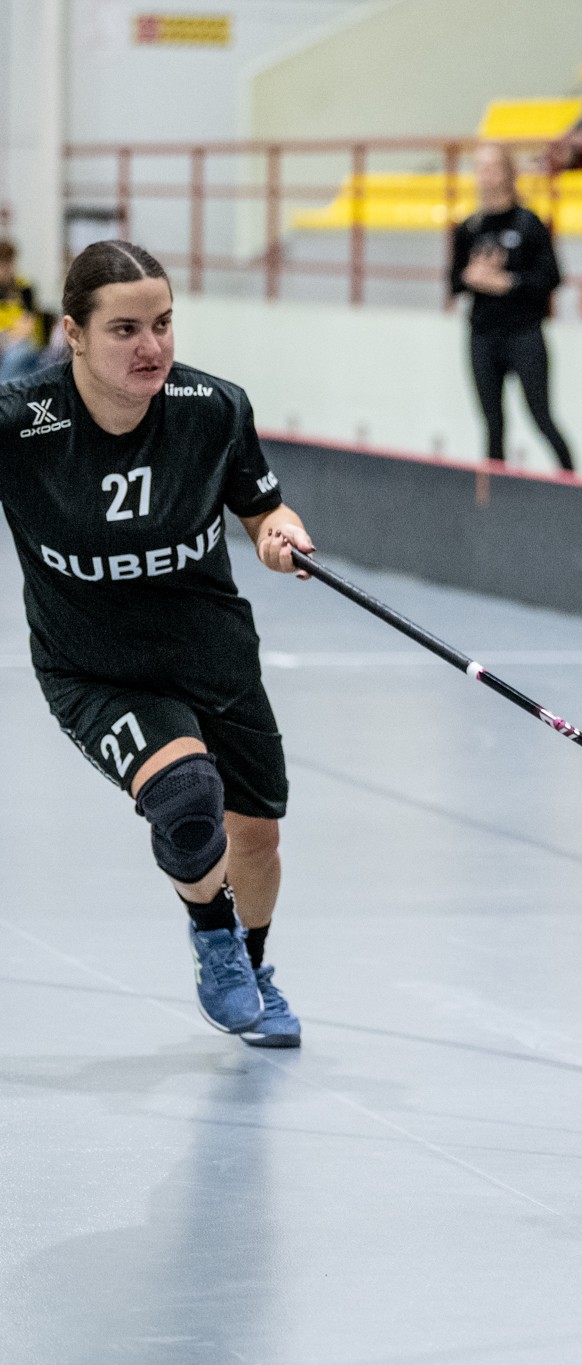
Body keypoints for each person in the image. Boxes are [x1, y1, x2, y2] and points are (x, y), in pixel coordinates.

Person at [0, 240, 315, 1046]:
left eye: (164, 323)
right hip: (95, 667)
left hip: (212, 652)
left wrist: (280, 533)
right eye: (126, 329)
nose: (152, 346)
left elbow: (264, 508)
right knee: (185, 797)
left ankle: (252, 961)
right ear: (73, 333)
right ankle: (212, 932)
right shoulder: (22, 423)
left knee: (257, 834)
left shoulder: (214, 408)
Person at [450, 144, 576, 472]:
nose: (486, 176)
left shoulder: (528, 223)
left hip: (524, 333)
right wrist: (472, 277)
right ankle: (493, 485)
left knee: (541, 416)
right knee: (492, 422)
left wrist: (507, 282)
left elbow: (551, 277)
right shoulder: (469, 228)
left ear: (508, 172)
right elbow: (454, 280)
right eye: (480, 168)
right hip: (483, 333)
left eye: (492, 167)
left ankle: (572, 479)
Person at [0, 241, 48, 384]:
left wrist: (7, 341)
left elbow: (28, 326)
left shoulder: (24, 288)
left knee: (14, 356)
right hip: (3, 341)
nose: (6, 270)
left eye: (8, 264)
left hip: (26, 343)